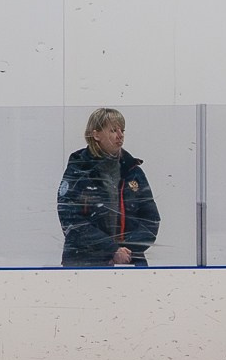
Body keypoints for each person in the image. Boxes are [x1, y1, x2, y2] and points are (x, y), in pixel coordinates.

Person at [57, 108, 160, 267]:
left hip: (129, 263)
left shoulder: (134, 172)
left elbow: (151, 220)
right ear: (96, 134)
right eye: (113, 130)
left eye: (122, 130)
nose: (120, 135)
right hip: (84, 264)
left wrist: (125, 252)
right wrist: (111, 250)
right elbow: (71, 220)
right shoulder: (79, 171)